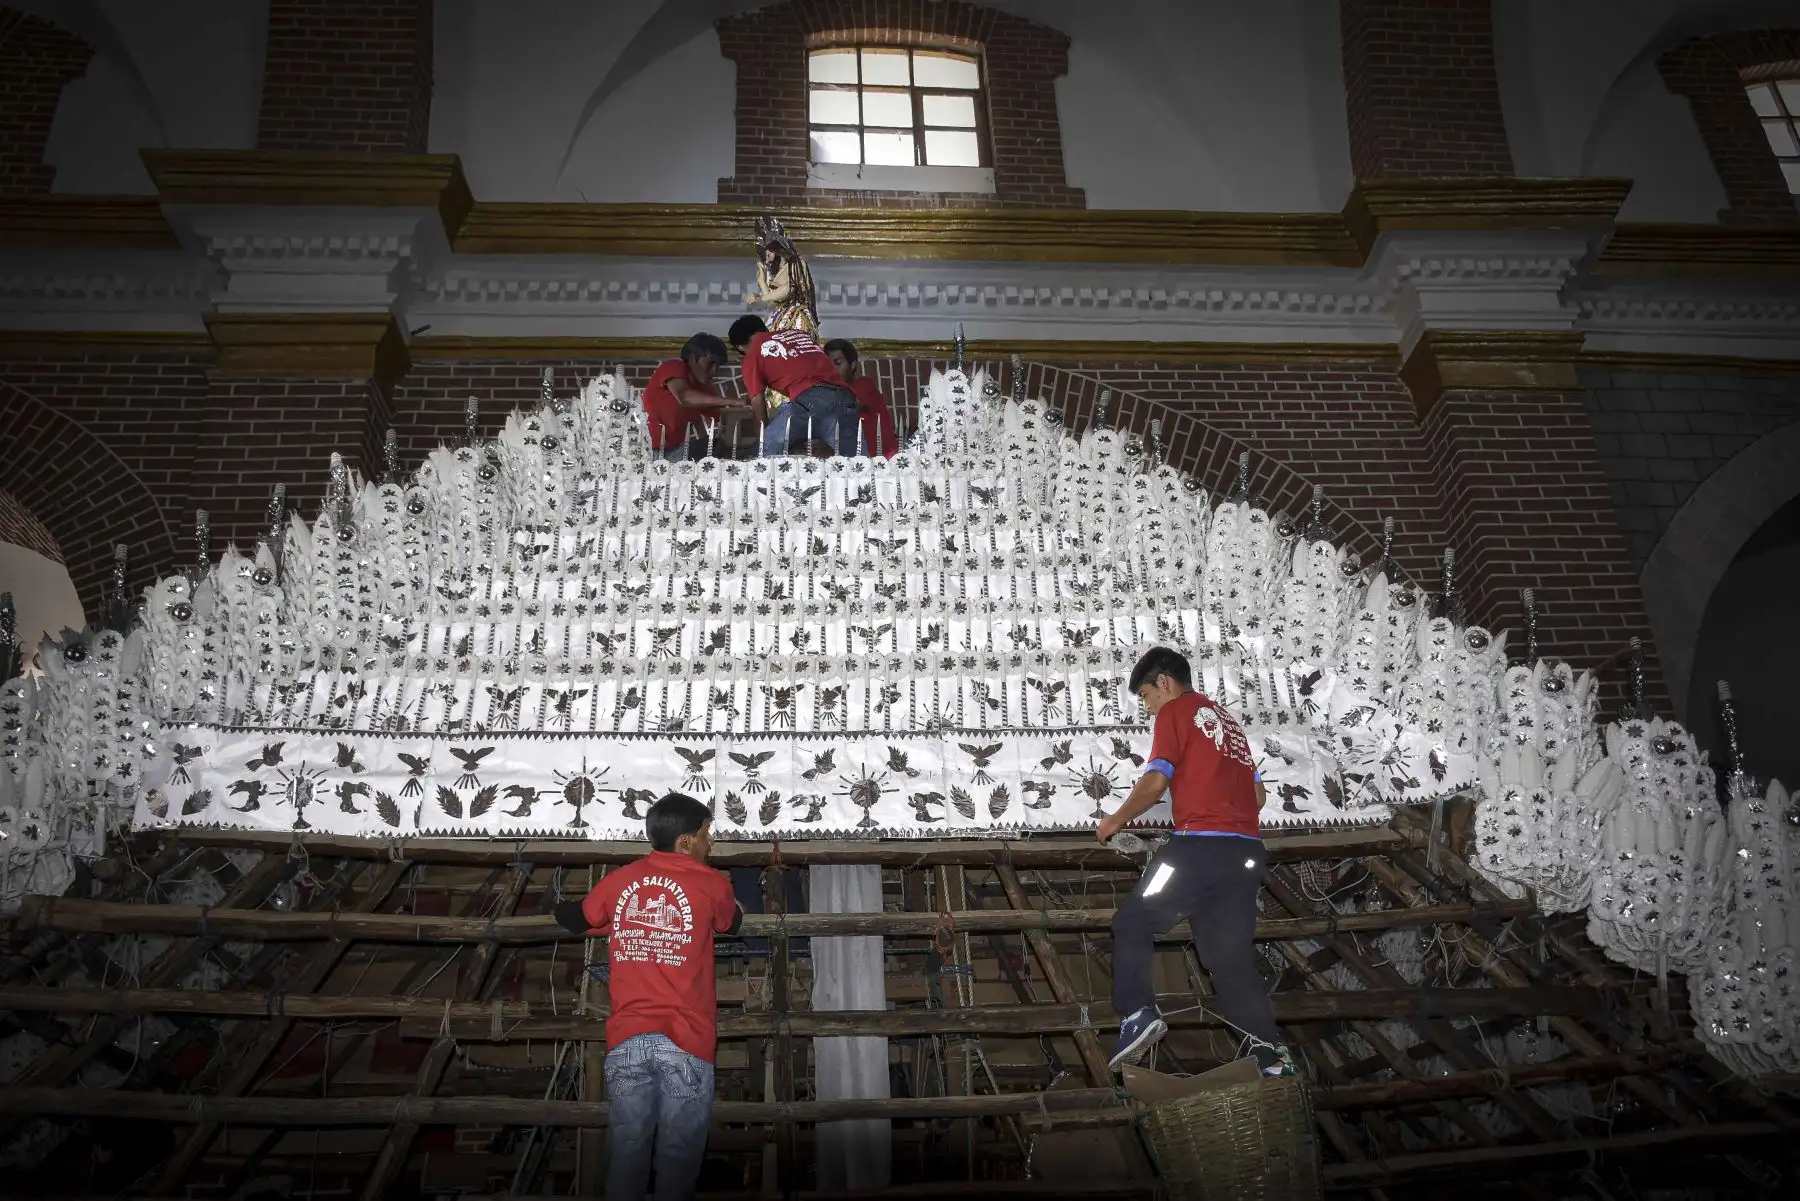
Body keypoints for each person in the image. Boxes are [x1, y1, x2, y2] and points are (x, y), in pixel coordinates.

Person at [1095, 647, 1297, 1078]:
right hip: (1245, 855)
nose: (1149, 709)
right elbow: (1258, 797)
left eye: (1147, 696)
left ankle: (1137, 1014)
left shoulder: (1177, 713)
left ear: (1164, 682)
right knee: (1229, 958)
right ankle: (1271, 1057)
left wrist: (1116, 819)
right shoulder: (1230, 724)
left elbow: (1154, 783)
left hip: (1196, 849)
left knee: (1132, 922)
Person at [554, 793, 743, 1199]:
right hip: (685, 1039)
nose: (712, 842)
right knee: (677, 1161)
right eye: (708, 833)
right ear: (686, 841)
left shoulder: (621, 880)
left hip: (627, 1041)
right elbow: (731, 922)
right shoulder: (712, 883)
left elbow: (578, 918)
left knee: (627, 1156)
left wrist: (602, 922)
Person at [727, 315, 863, 458]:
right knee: (853, 464)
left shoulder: (752, 354)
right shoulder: (798, 335)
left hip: (809, 402)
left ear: (740, 347)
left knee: (761, 455)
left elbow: (757, 401)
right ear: (764, 329)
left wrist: (763, 437)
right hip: (845, 399)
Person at [642, 333, 738, 462]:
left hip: (676, 452)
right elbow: (685, 397)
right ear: (692, 358)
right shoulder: (674, 367)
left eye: (718, 366)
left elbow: (721, 414)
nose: (714, 371)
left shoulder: (702, 387)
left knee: (721, 444)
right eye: (711, 363)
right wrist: (732, 401)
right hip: (651, 453)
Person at [824, 338, 898, 458]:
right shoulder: (830, 392)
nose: (831, 370)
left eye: (837, 363)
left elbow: (847, 405)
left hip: (881, 462)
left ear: (853, 365)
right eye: (827, 365)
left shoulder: (864, 385)